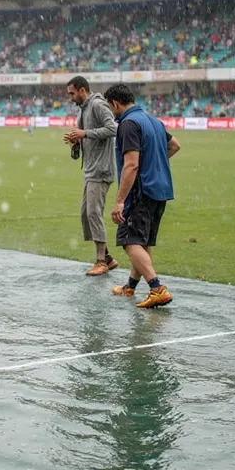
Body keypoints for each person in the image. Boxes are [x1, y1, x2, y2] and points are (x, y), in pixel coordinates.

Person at [104, 83, 181, 308]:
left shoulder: (128, 124)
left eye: (111, 108)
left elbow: (131, 165)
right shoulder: (154, 121)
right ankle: (130, 287)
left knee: (129, 241)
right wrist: (154, 164)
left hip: (141, 192)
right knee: (142, 241)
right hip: (161, 190)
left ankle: (157, 288)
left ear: (115, 103)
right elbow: (175, 145)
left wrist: (119, 201)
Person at [63, 76, 119, 276]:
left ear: (82, 90)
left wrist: (85, 134)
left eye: (72, 93)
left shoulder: (96, 104)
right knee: (86, 213)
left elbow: (113, 128)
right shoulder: (83, 109)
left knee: (93, 213)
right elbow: (85, 135)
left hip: (101, 169)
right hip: (90, 169)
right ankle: (109, 258)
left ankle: (101, 261)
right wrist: (76, 140)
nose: (70, 97)